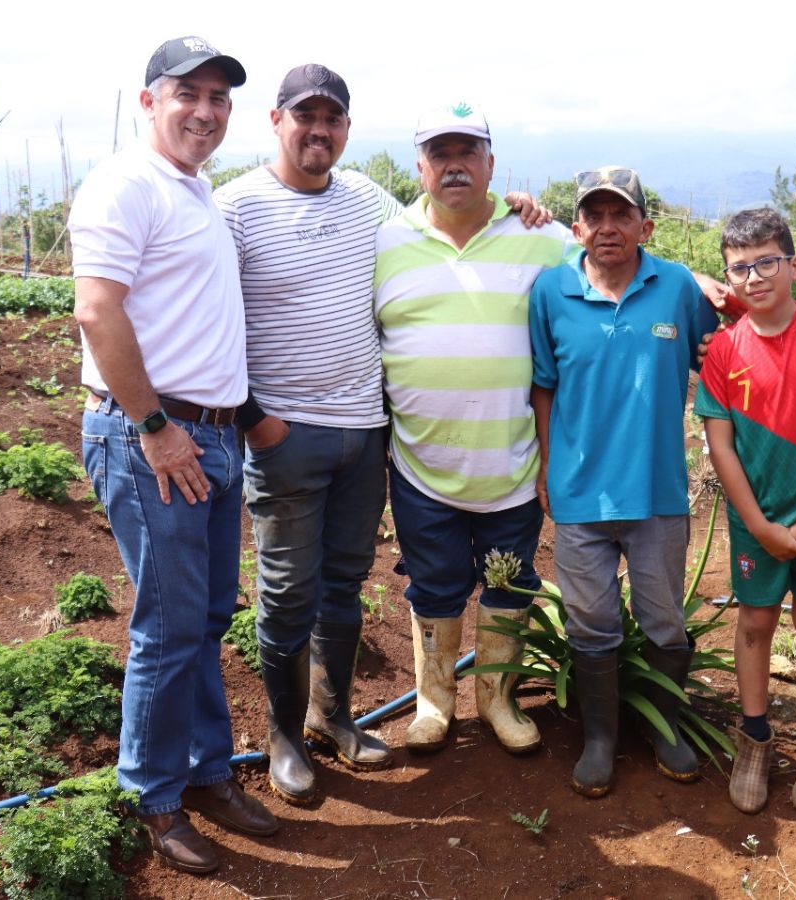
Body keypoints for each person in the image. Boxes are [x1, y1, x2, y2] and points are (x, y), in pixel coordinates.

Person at [70, 36, 277, 875]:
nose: (205, 109)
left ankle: (208, 771)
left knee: (206, 617)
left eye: (219, 97)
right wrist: (154, 427)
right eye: (187, 93)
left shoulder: (195, 190)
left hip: (211, 435)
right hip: (154, 437)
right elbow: (97, 311)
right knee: (167, 626)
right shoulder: (125, 184)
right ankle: (156, 799)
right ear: (149, 100)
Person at [213, 64, 400, 805]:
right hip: (285, 435)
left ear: (346, 130)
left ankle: (335, 718)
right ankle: (284, 736)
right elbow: (210, 325)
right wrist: (254, 418)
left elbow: (436, 232)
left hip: (365, 432)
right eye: (305, 116)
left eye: (333, 118)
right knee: (288, 592)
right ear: (276, 120)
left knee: (346, 583)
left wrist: (523, 212)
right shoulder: (235, 207)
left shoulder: (367, 198)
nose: (318, 129)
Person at [374, 103, 575, 756]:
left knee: (508, 583)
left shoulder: (545, 239)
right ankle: (434, 704)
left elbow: (612, 268)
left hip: (510, 467)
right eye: (440, 153)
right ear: (420, 167)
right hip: (421, 466)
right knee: (433, 587)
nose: (454, 165)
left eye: (468, 152)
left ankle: (497, 699)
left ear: (491, 164)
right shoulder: (387, 242)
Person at [529, 167, 718, 797]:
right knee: (591, 623)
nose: (608, 227)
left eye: (622, 215)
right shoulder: (551, 292)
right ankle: (601, 739)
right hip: (581, 492)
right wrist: (547, 469)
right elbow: (543, 389)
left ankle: (666, 726)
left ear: (646, 225)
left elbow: (716, 355)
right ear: (576, 227)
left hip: (658, 489)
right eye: (595, 216)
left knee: (665, 618)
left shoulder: (677, 288)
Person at [696, 208, 796, 815]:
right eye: (740, 268)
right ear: (728, 277)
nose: (754, 277)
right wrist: (758, 524)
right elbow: (720, 444)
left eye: (766, 262)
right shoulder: (723, 350)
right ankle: (755, 741)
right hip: (751, 516)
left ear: (794, 264)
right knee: (756, 624)